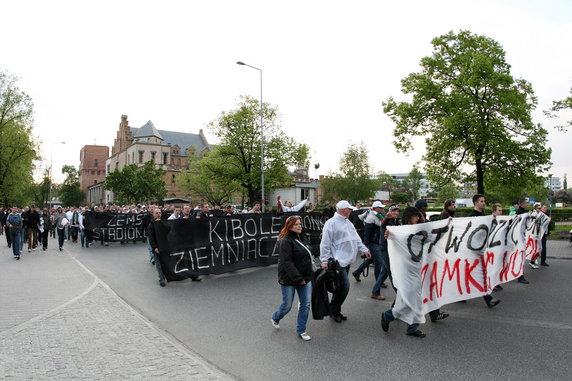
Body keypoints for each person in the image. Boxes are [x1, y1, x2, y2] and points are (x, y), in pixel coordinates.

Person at [320, 200, 371, 322]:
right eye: (349, 209)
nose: (351, 211)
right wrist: (324, 260)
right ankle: (333, 310)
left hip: (346, 260)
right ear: (344, 210)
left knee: (339, 287)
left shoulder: (347, 222)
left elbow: (356, 238)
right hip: (337, 261)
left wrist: (364, 249)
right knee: (345, 287)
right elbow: (325, 244)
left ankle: (336, 311)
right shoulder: (331, 223)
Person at [381, 206, 426, 337]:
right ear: (409, 216)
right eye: (416, 215)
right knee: (409, 299)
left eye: (419, 216)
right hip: (405, 270)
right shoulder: (400, 230)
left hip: (417, 269)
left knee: (417, 299)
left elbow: (434, 236)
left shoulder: (420, 230)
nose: (418, 218)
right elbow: (389, 235)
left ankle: (412, 327)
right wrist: (388, 234)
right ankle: (388, 315)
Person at [271, 216, 314, 341]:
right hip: (289, 278)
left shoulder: (303, 237)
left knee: (305, 304)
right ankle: (275, 317)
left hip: (306, 277)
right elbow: (287, 262)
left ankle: (302, 330)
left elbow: (308, 255)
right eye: (296, 224)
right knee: (287, 306)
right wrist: (298, 278)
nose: (299, 226)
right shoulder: (285, 241)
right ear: (289, 226)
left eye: (300, 224)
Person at [468, 194, 502, 307]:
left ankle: (462, 295)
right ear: (476, 203)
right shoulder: (472, 216)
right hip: (474, 251)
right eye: (481, 201)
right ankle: (488, 299)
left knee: (471, 274)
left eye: (484, 201)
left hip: (481, 249)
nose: (484, 203)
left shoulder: (483, 215)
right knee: (481, 274)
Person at [351, 201, 386, 300]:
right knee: (379, 263)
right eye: (380, 207)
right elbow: (367, 234)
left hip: (375, 242)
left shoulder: (375, 215)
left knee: (372, 260)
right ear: (376, 208)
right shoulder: (371, 218)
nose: (382, 209)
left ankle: (357, 272)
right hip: (373, 243)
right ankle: (377, 290)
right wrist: (365, 248)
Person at [148, 207, 167, 287]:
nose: (158, 214)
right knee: (158, 264)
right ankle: (161, 279)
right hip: (157, 248)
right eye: (157, 213)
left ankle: (166, 276)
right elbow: (151, 237)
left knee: (166, 263)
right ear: (153, 214)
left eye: (159, 213)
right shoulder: (151, 225)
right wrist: (155, 247)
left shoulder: (164, 222)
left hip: (165, 247)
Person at [515, 198, 532, 282]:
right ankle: (520, 276)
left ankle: (519, 274)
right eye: (526, 203)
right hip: (519, 237)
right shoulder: (519, 212)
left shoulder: (523, 212)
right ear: (522, 204)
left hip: (522, 236)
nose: (527, 205)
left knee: (521, 256)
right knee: (520, 256)